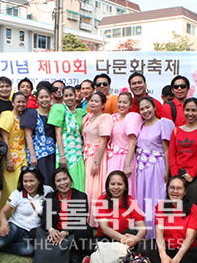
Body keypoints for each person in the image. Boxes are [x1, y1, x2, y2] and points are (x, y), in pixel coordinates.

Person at [140, 176, 197, 263]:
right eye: (172, 188)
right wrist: (163, 256)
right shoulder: (161, 206)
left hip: (184, 250)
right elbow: (159, 232)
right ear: (168, 189)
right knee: (144, 248)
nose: (175, 191)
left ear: (185, 191)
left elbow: (190, 237)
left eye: (179, 188)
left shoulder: (194, 209)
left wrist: (176, 259)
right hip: (167, 247)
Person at [169, 98, 197, 231]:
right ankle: (180, 234)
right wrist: (176, 176)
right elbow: (172, 153)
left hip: (196, 176)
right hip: (178, 174)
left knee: (194, 209)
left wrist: (192, 174)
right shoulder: (176, 131)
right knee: (176, 207)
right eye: (187, 109)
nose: (190, 113)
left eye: (194, 110)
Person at [0, 166, 53, 256]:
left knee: (29, 250)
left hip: (32, 231)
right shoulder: (17, 193)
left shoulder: (48, 191)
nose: (28, 184)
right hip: (15, 226)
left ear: (39, 181)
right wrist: (4, 223)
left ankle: (6, 247)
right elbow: (3, 212)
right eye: (25, 181)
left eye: (32, 181)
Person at [136, 97, 174, 239]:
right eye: (142, 109)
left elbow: (167, 149)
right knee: (143, 199)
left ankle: (157, 233)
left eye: (148, 107)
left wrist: (167, 170)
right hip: (141, 168)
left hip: (157, 167)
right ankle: (143, 232)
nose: (145, 111)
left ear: (154, 107)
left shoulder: (163, 124)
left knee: (156, 198)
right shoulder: (141, 125)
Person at [41, 167, 94, 263]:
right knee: (34, 233)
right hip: (56, 232)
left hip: (72, 232)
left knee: (86, 230)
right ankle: (64, 251)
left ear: (70, 179)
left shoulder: (81, 196)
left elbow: (81, 219)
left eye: (65, 179)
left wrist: (65, 232)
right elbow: (45, 218)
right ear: (55, 184)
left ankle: (74, 255)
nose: (62, 183)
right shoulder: (50, 197)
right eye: (58, 180)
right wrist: (51, 230)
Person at [82, 92, 113, 226]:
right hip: (87, 155)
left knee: (95, 188)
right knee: (87, 187)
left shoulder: (105, 118)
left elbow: (103, 142)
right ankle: (87, 220)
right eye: (91, 100)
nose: (92, 103)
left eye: (96, 101)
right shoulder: (88, 117)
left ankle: (96, 222)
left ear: (103, 105)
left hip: (97, 156)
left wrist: (96, 162)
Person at [93, 171, 147, 248]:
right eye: (112, 184)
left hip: (125, 236)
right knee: (91, 245)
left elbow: (143, 228)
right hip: (106, 237)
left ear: (125, 186)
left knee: (133, 233)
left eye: (120, 184)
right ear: (108, 186)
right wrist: (121, 238)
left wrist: (136, 238)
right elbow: (104, 228)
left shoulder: (131, 201)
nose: (116, 187)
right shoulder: (102, 201)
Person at [48, 86, 87, 191]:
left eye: (71, 95)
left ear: (75, 96)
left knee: (80, 178)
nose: (69, 98)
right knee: (66, 179)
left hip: (78, 149)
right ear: (63, 97)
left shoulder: (81, 113)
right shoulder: (59, 109)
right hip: (65, 149)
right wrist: (62, 156)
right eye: (66, 96)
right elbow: (58, 134)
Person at [107, 92, 142, 198]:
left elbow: (132, 143)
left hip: (125, 157)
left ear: (131, 105)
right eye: (120, 102)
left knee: (125, 186)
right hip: (112, 157)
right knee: (111, 185)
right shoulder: (114, 117)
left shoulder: (132, 117)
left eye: (125, 102)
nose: (121, 105)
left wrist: (127, 165)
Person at [21, 85, 56, 185]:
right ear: (36, 100)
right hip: (38, 154)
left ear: (50, 98)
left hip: (51, 153)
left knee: (51, 180)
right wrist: (32, 156)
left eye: (46, 97)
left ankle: (50, 201)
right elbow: (28, 135)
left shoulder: (53, 114)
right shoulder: (31, 113)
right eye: (41, 97)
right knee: (40, 180)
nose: (44, 99)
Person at [0, 92, 27, 214]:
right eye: (18, 101)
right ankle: (4, 218)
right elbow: (4, 139)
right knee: (10, 189)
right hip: (10, 157)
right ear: (12, 103)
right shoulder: (7, 115)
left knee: (22, 188)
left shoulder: (24, 117)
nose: (21, 104)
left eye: (23, 102)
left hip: (23, 156)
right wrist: (9, 159)